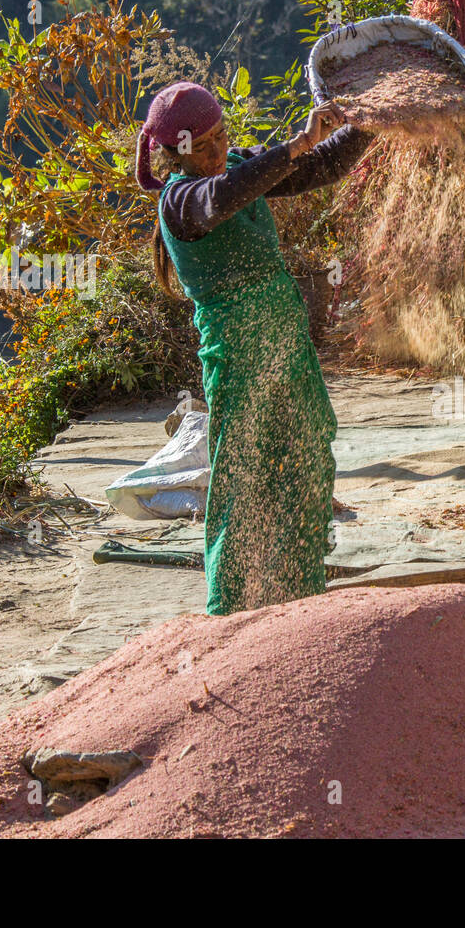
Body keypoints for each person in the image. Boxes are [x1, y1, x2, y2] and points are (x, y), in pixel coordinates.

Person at [136, 81, 373, 614]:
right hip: (239, 352)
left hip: (285, 341)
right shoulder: (180, 201)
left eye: (224, 136)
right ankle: (232, 610)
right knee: (243, 480)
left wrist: (368, 122)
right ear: (178, 153)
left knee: (308, 455)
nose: (222, 150)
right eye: (208, 144)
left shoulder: (240, 166)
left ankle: (298, 593)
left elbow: (320, 168)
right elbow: (225, 196)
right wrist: (290, 146)